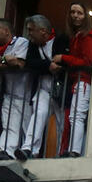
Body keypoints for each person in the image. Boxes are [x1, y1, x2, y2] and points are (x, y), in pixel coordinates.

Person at [52, 2, 92, 157]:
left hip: (83, 80)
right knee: (74, 116)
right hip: (77, 81)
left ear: (85, 16)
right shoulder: (77, 36)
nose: (75, 16)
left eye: (79, 13)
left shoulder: (89, 34)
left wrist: (63, 57)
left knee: (77, 115)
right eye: (73, 12)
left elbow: (87, 61)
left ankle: (75, 150)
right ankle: (73, 149)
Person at [17, 15, 60, 160]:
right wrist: (48, 66)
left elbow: (63, 63)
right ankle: (29, 149)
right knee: (38, 115)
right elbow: (30, 63)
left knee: (62, 122)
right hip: (43, 88)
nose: (28, 34)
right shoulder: (33, 44)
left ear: (43, 31)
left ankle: (61, 153)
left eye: (31, 30)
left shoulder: (60, 40)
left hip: (59, 89)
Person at [0, 18, 28, 160]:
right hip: (9, 93)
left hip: (25, 95)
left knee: (25, 129)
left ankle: (29, 155)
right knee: (8, 125)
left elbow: (17, 63)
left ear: (6, 31)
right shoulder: (0, 48)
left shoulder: (21, 42)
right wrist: (3, 60)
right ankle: (6, 152)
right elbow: (6, 61)